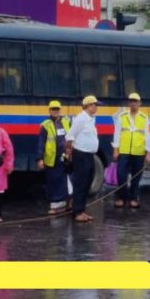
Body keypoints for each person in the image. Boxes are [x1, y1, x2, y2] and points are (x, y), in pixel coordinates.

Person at [113, 92, 150, 209]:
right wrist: (115, 149)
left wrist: (148, 152)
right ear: (129, 103)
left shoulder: (144, 118)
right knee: (121, 175)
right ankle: (121, 198)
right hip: (124, 151)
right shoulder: (122, 116)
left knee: (136, 176)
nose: (133, 103)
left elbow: (147, 136)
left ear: (140, 103)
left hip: (138, 151)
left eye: (135, 101)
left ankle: (134, 198)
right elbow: (117, 133)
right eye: (131, 101)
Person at [66, 95, 101, 223]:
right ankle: (77, 212)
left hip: (90, 155)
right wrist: (70, 151)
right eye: (95, 105)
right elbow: (70, 137)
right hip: (80, 155)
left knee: (87, 183)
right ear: (88, 106)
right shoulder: (80, 119)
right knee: (80, 184)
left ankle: (82, 209)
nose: (96, 107)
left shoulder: (91, 119)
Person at [37, 100, 71, 214]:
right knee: (53, 181)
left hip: (65, 157)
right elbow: (41, 143)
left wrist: (71, 153)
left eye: (57, 109)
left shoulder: (66, 122)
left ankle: (65, 204)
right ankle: (55, 204)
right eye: (53, 109)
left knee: (66, 181)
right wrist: (40, 159)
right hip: (51, 158)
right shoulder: (45, 125)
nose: (56, 111)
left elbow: (71, 138)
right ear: (49, 111)